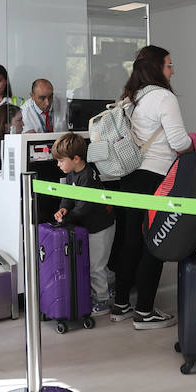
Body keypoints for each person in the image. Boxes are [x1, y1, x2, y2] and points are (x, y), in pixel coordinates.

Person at [109, 45, 190, 329]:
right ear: (157, 68)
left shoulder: (130, 98)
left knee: (129, 241)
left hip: (128, 175)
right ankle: (144, 311)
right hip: (155, 177)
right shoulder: (164, 97)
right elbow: (179, 142)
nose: (173, 70)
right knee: (153, 243)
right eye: (169, 65)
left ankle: (121, 304)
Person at [51, 132, 113, 316]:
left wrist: (67, 217)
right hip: (91, 226)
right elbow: (68, 196)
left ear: (76, 158)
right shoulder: (72, 174)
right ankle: (111, 285)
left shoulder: (88, 177)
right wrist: (63, 209)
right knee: (99, 263)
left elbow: (84, 207)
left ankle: (102, 299)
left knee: (96, 265)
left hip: (101, 227)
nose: (58, 164)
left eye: (61, 161)